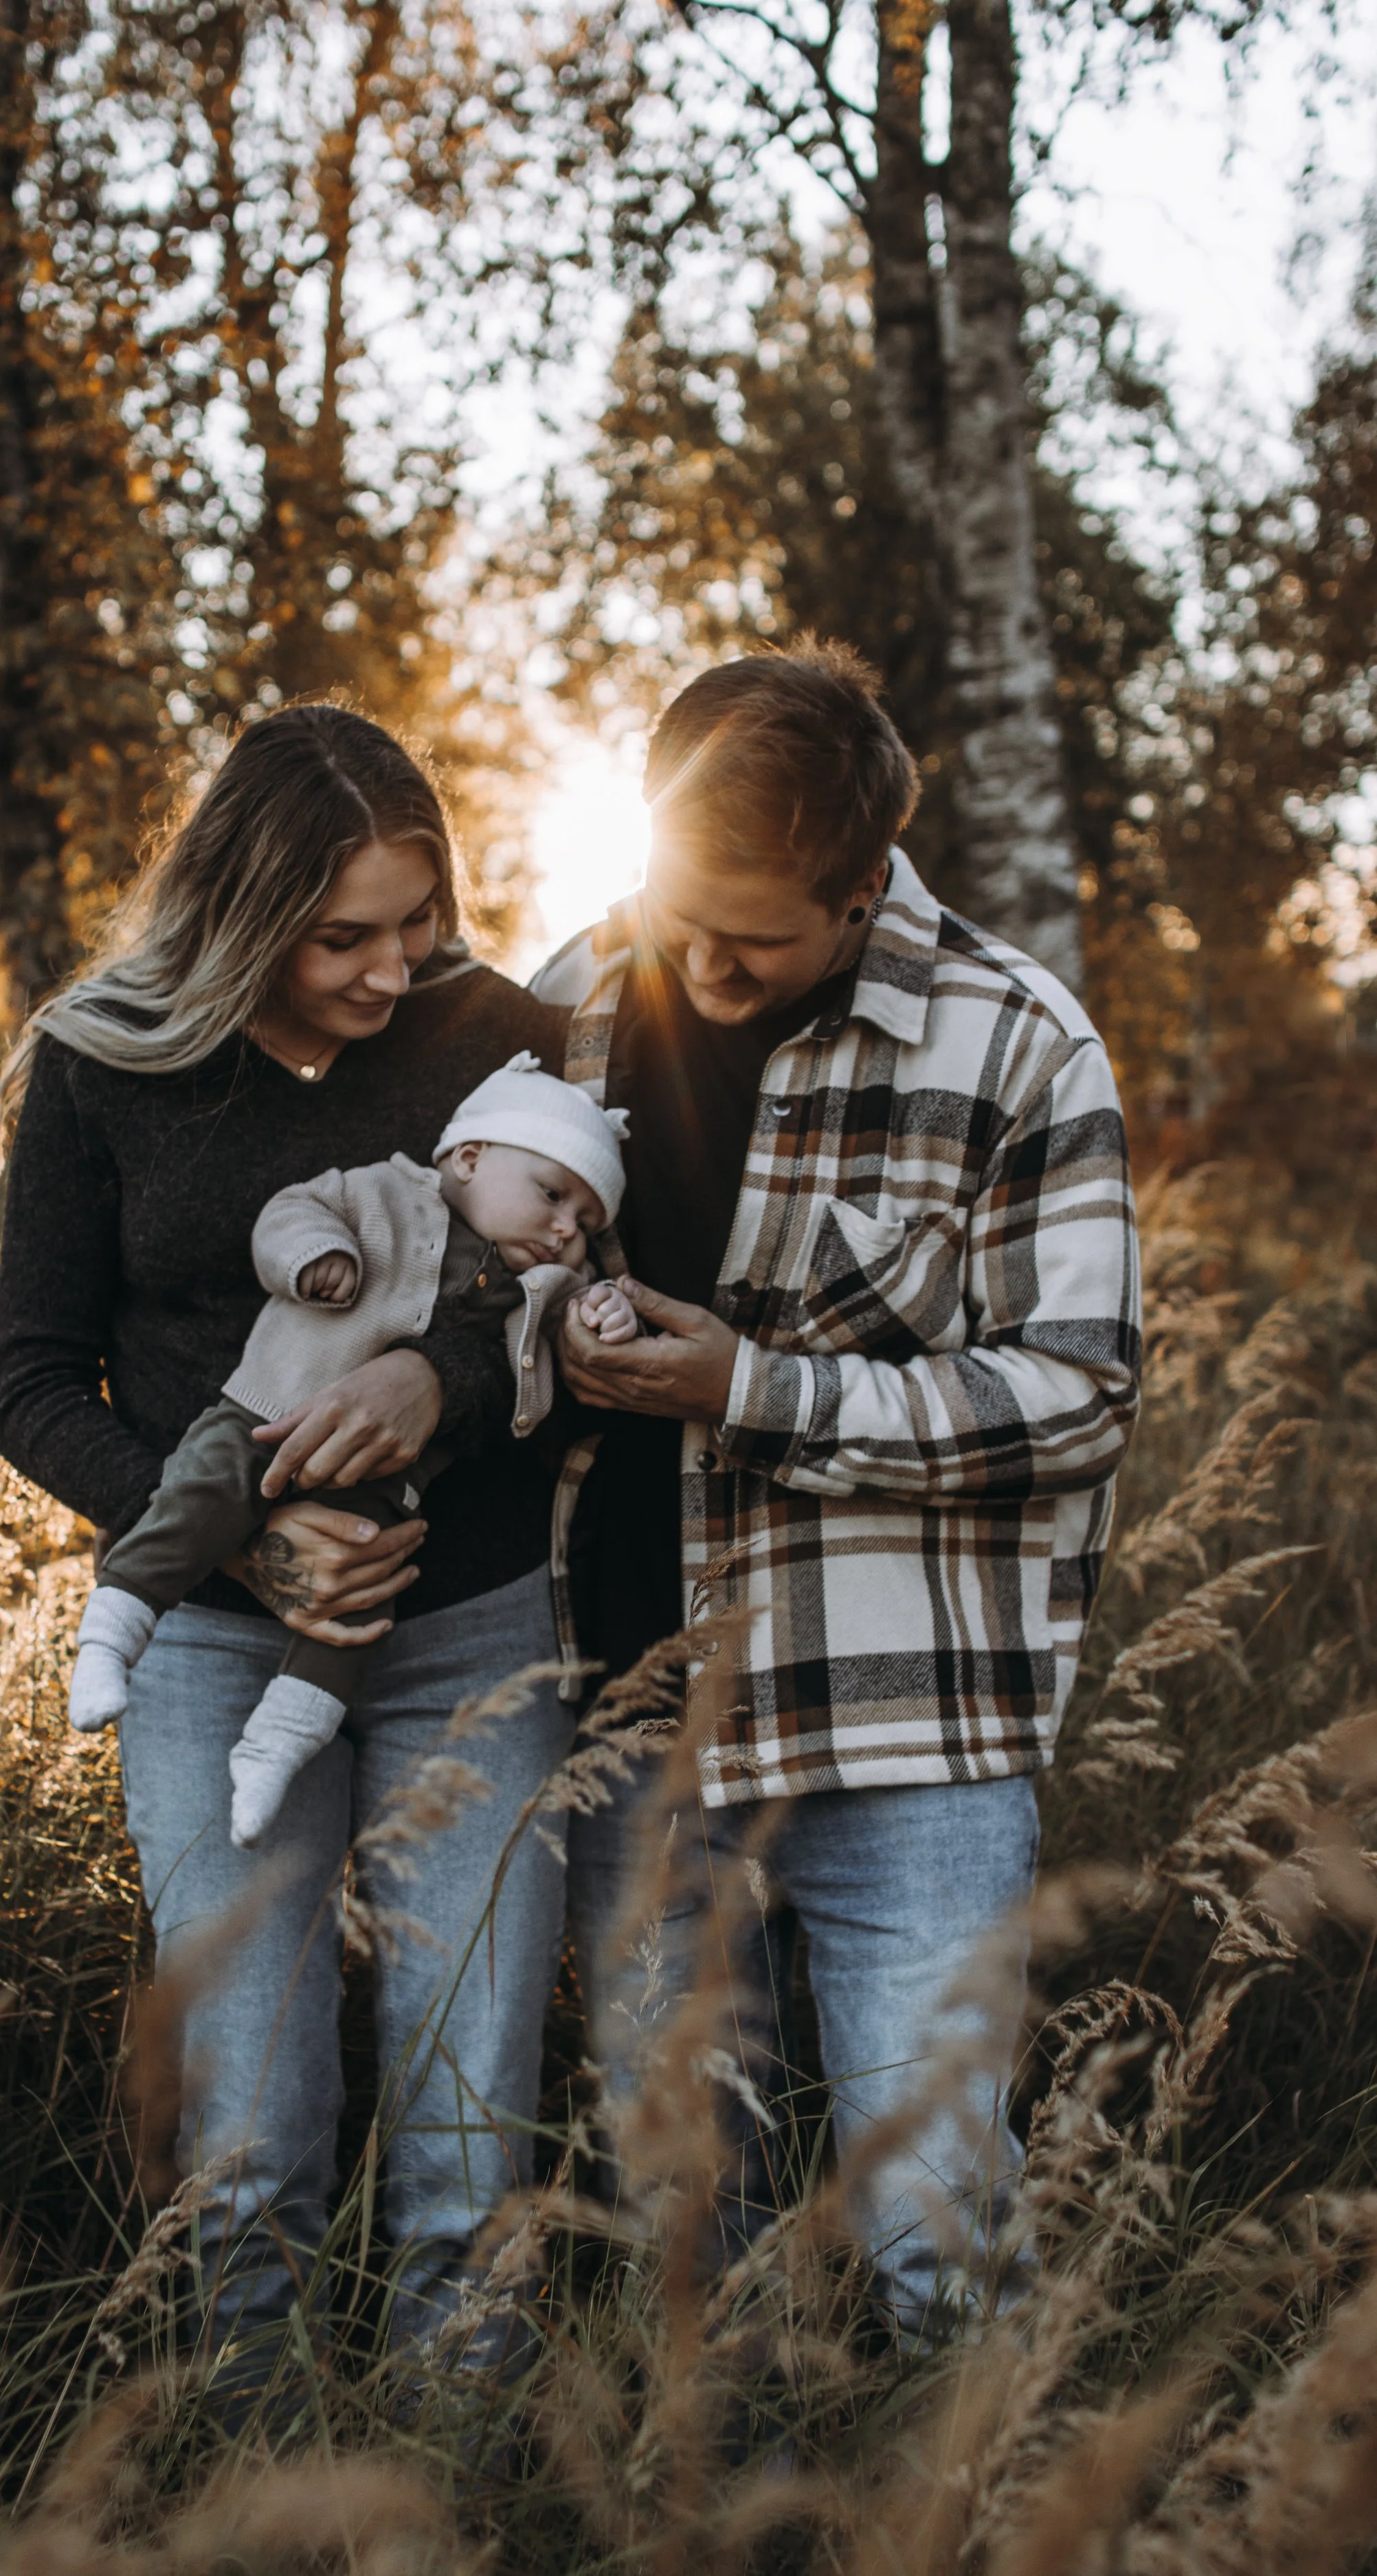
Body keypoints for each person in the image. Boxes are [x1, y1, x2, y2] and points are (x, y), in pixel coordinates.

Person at [534, 638, 1142, 2347]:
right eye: (680, 912)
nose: (700, 962)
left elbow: (1079, 1392)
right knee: (678, 2235)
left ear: (862, 882)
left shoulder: (1019, 1041)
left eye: (755, 937)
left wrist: (750, 1384)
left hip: (906, 1728)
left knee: (939, 2229)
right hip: (628, 1716)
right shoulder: (574, 990)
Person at [0, 701, 579, 2397]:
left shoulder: (499, 1036)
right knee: (250, 2114)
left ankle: (461, 2461)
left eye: (417, 920)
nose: (394, 969)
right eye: (343, 936)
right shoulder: (106, 1061)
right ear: (242, 914)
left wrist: (439, 1379)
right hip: (211, 1652)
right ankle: (257, 2462)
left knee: (472, 2105)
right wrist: (240, 1545)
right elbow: (31, 1381)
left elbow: (565, 1301)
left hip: (475, 1629)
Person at [67, 1053, 638, 1844]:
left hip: (379, 1490)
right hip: (266, 1415)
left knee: (358, 1607)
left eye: (586, 1222)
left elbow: (560, 1366)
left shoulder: (541, 1288)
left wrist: (603, 1315)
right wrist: (313, 1257)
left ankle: (277, 1744)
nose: (565, 1228)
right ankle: (111, 1635)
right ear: (470, 1156)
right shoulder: (380, 1191)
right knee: (193, 1502)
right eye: (551, 1195)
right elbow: (289, 1214)